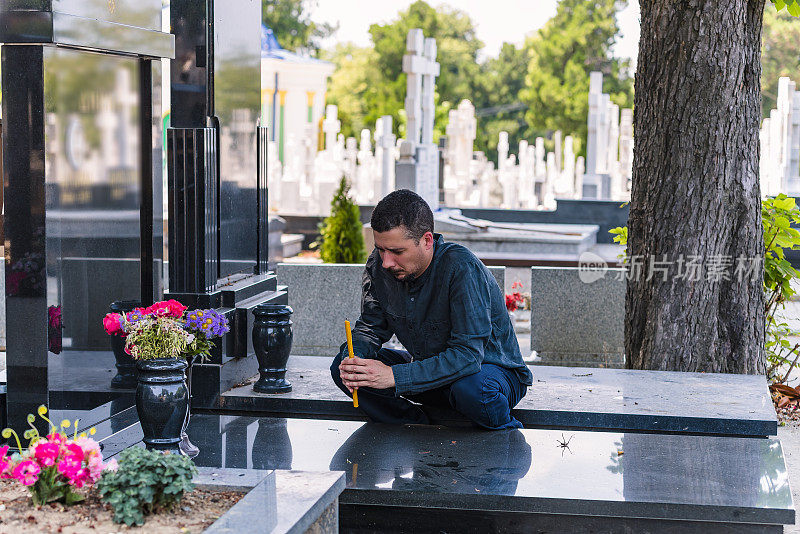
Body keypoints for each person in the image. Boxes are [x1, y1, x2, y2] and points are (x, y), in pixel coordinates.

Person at [330, 189, 532, 429]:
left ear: (427, 240)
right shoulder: (379, 266)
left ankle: (505, 429)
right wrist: (356, 360)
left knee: (472, 389)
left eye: (397, 252)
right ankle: (416, 426)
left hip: (488, 374)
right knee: (344, 368)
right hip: (431, 375)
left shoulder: (461, 268)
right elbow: (370, 328)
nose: (386, 262)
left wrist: (393, 377)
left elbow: (468, 356)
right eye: (381, 249)